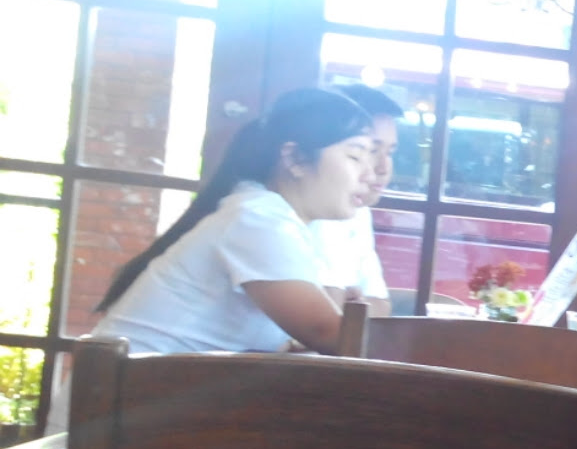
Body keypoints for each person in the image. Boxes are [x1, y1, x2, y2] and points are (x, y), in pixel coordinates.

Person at [93, 87, 374, 356]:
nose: (370, 176)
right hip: (132, 386)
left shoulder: (275, 218)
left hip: (154, 383)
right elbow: (326, 333)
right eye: (355, 156)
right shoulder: (259, 217)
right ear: (296, 159)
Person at [311, 83, 402, 317]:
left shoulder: (359, 212)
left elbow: (382, 307)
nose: (383, 168)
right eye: (370, 151)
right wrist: (353, 305)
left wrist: (350, 305)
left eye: (390, 153)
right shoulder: (315, 210)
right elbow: (328, 315)